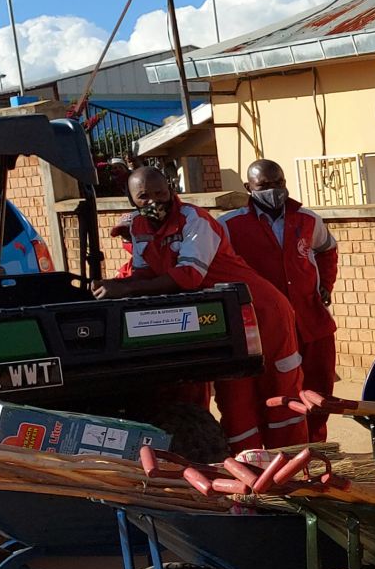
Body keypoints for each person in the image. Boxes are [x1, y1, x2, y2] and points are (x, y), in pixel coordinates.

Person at [95, 166, 305, 451]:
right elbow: (143, 274)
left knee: (279, 396)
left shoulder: (195, 220)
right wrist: (115, 285)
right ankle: (251, 472)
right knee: (235, 399)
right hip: (225, 320)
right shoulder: (138, 228)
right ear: (131, 199)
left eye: (160, 192)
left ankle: (292, 466)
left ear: (171, 189)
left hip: (263, 311)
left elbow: (189, 275)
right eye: (144, 196)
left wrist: (127, 288)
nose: (154, 201)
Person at [220, 160, 340, 443]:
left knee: (319, 392)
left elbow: (327, 250)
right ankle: (283, 454)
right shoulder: (229, 225)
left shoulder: (308, 219)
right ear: (249, 188)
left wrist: (325, 286)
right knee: (277, 396)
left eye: (279, 183)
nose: (274, 191)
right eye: (264, 186)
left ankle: (317, 448)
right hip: (267, 329)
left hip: (312, 322)